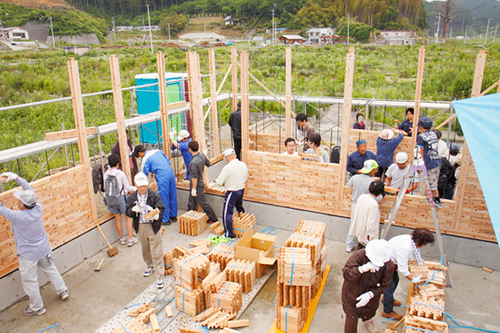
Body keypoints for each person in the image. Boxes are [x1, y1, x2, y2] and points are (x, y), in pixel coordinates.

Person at [0, 172, 69, 316]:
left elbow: (0, 207)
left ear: (21, 205)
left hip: (28, 255)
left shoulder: (18, 216)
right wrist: (17, 178)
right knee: (51, 269)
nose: (17, 202)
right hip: (43, 250)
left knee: (30, 282)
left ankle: (37, 308)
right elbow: (30, 190)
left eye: (18, 201)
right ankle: (63, 290)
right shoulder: (37, 208)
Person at [342, 239, 394, 333]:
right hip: (352, 292)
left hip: (372, 297)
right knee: (351, 317)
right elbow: (347, 274)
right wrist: (361, 269)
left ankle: (368, 320)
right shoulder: (359, 255)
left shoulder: (388, 265)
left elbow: (385, 284)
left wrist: (371, 294)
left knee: (370, 311)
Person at [382, 228, 435, 320]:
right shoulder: (405, 247)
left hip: (391, 262)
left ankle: (386, 299)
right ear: (419, 241)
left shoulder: (411, 240)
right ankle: (387, 311)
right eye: (424, 244)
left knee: (396, 280)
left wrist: (414, 266)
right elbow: (403, 268)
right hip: (386, 263)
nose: (423, 246)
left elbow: (409, 256)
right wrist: (413, 279)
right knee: (389, 287)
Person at [125, 172, 166, 289]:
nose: (143, 188)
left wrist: (157, 216)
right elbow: (127, 211)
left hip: (153, 226)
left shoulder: (154, 195)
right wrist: (133, 210)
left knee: (157, 251)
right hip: (141, 227)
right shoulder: (132, 198)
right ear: (135, 185)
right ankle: (149, 265)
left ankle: (160, 276)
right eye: (140, 186)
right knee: (145, 248)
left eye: (144, 185)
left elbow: (161, 208)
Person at [133, 145, 177, 224]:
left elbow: (143, 176)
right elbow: (168, 161)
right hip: (170, 172)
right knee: (172, 194)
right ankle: (174, 215)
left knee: (164, 197)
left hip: (162, 176)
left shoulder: (145, 159)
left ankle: (165, 219)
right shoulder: (158, 151)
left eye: (139, 156)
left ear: (140, 153)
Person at [103, 154, 137, 247]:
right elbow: (128, 187)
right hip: (121, 197)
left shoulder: (106, 174)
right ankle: (130, 239)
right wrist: (135, 188)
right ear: (118, 164)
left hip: (111, 199)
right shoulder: (120, 174)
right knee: (128, 217)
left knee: (117, 218)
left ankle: (122, 239)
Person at [214, 148, 248, 239]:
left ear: (227, 158)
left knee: (227, 213)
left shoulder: (227, 167)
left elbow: (219, 182)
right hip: (241, 189)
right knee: (240, 207)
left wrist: (215, 182)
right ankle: (244, 225)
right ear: (235, 156)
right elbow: (246, 177)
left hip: (232, 192)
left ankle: (229, 234)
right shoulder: (243, 164)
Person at [346, 159, 378, 252]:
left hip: (356, 204)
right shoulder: (371, 183)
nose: (375, 171)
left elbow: (349, 185)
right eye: (375, 170)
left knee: (353, 223)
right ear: (371, 170)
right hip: (366, 205)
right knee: (364, 226)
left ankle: (349, 244)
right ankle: (365, 246)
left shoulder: (355, 177)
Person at [187, 140, 218, 223]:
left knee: (203, 202)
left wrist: (194, 189)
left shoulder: (193, 162)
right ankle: (191, 216)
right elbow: (208, 163)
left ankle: (213, 217)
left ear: (189, 149)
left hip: (196, 185)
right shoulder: (201, 156)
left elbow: (194, 177)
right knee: (191, 201)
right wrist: (205, 155)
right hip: (199, 182)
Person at [349, 180, 385, 249]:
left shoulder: (362, 197)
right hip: (367, 237)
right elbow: (371, 223)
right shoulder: (373, 205)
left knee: (359, 251)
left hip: (360, 230)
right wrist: (370, 238)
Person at [416, 117, 443, 208]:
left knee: (432, 184)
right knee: (434, 181)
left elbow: (422, 150)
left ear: (421, 127)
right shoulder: (433, 134)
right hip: (437, 161)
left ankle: (437, 200)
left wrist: (423, 161)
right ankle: (433, 198)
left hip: (430, 163)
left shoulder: (421, 136)